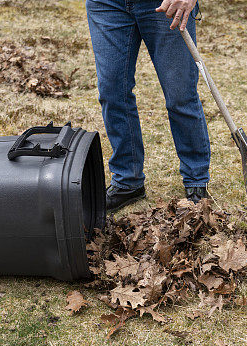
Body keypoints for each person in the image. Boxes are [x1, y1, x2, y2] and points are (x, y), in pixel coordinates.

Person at [86, 0, 210, 212]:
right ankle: (127, 181)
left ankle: (196, 179)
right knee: (112, 91)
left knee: (179, 95)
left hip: (164, 4)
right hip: (107, 5)